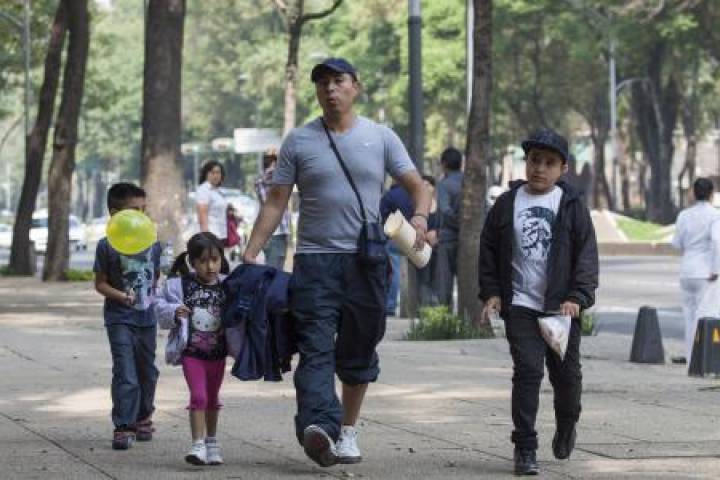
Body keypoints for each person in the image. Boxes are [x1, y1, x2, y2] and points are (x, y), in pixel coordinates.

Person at [242, 57, 431, 467]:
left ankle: (347, 430)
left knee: (358, 349)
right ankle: (319, 427)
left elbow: (420, 187)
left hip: (367, 261)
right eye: (322, 83)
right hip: (314, 262)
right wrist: (253, 249)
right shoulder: (298, 141)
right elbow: (276, 201)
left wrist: (419, 217)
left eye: (338, 81)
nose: (330, 89)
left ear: (355, 87)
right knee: (314, 348)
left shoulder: (380, 137)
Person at [478, 129, 598, 475]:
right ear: (526, 162)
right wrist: (492, 293)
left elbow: (586, 256)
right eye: (534, 161)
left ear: (563, 168)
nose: (539, 169)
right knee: (528, 372)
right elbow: (488, 250)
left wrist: (577, 297)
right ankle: (525, 448)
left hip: (561, 309)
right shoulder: (506, 203)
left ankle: (567, 423)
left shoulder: (571, 206)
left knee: (567, 379)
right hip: (520, 306)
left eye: (548, 163)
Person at [93, 183, 163, 450]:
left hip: (147, 319)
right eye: (135, 210)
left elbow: (155, 279)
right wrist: (121, 296)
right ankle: (123, 425)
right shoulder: (106, 246)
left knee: (148, 371)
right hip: (119, 318)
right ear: (115, 214)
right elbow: (100, 284)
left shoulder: (153, 245)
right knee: (125, 371)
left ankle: (143, 417)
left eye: (144, 210)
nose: (141, 216)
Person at [154, 232, 230, 466]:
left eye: (215, 260)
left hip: (218, 355)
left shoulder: (228, 285)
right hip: (192, 354)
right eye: (204, 261)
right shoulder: (180, 285)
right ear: (193, 262)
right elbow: (159, 304)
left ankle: (211, 442)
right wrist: (174, 311)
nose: (210, 266)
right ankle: (197, 445)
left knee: (212, 398)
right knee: (199, 396)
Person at [671, 178, 720, 363]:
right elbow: (717, 241)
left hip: (687, 271)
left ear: (693, 192)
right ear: (711, 194)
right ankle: (705, 358)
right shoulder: (715, 215)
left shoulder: (684, 215)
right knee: (707, 314)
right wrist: (715, 269)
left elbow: (676, 243)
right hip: (705, 272)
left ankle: (691, 357)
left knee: (689, 317)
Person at [379, 180, 414, 316]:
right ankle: (415, 306)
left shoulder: (389, 195)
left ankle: (390, 306)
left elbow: (381, 215)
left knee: (394, 272)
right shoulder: (413, 194)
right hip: (412, 237)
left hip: (394, 237)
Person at [255, 147, 292, 270]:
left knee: (277, 271)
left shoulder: (277, 179)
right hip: (273, 233)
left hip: (279, 233)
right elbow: (270, 174)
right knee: (273, 272)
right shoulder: (266, 179)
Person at [436, 147, 463, 309]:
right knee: (466, 281)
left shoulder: (444, 184)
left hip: (447, 239)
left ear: (444, 164)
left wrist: (456, 223)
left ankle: (445, 315)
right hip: (467, 240)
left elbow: (445, 210)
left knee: (444, 283)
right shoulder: (469, 181)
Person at [196, 160, 229, 245]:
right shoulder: (204, 190)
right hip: (210, 237)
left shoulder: (217, 191)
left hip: (220, 235)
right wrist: (206, 237)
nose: (216, 176)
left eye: (218, 173)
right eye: (213, 173)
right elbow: (202, 215)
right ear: (206, 174)